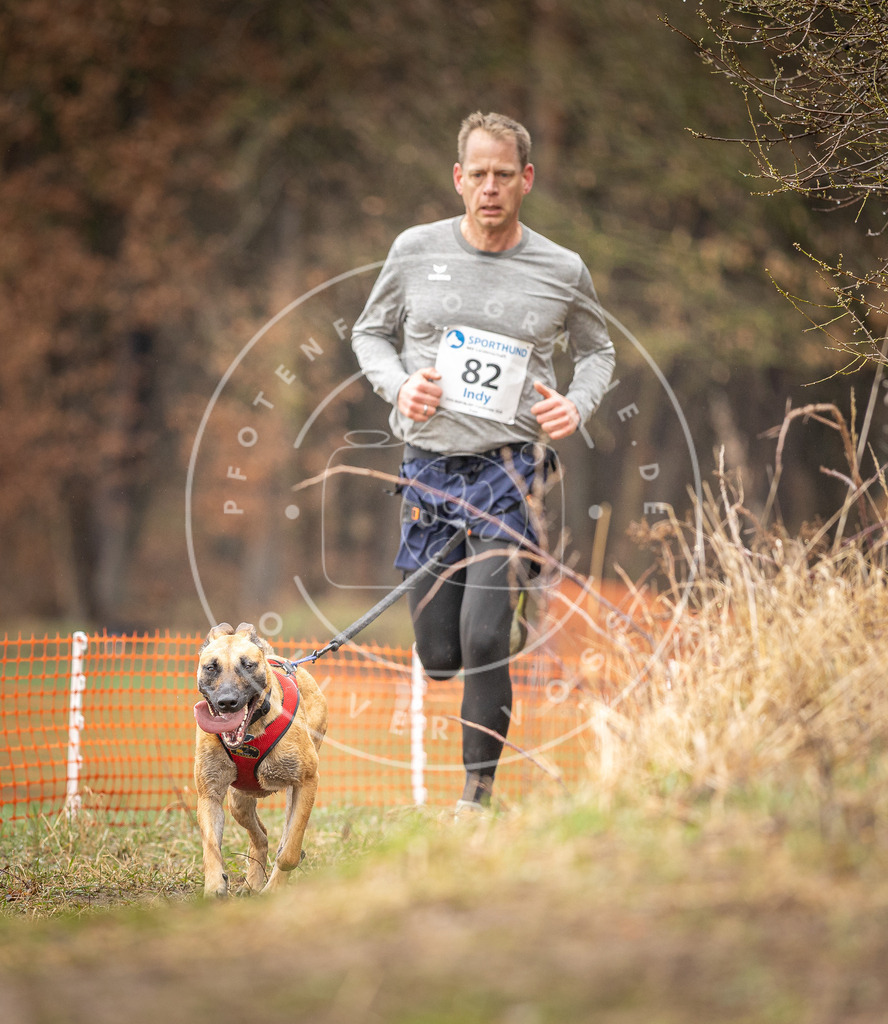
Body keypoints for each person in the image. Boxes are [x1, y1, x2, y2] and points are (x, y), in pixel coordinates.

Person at [351, 111, 615, 814]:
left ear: (526, 179)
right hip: (430, 468)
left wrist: (577, 405)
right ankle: (501, 621)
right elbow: (370, 333)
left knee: (485, 636)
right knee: (440, 656)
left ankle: (476, 800)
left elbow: (598, 351)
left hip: (511, 471)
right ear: (458, 179)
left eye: (503, 174)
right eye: (478, 174)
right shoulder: (415, 250)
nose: (490, 187)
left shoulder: (560, 269)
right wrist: (399, 385)